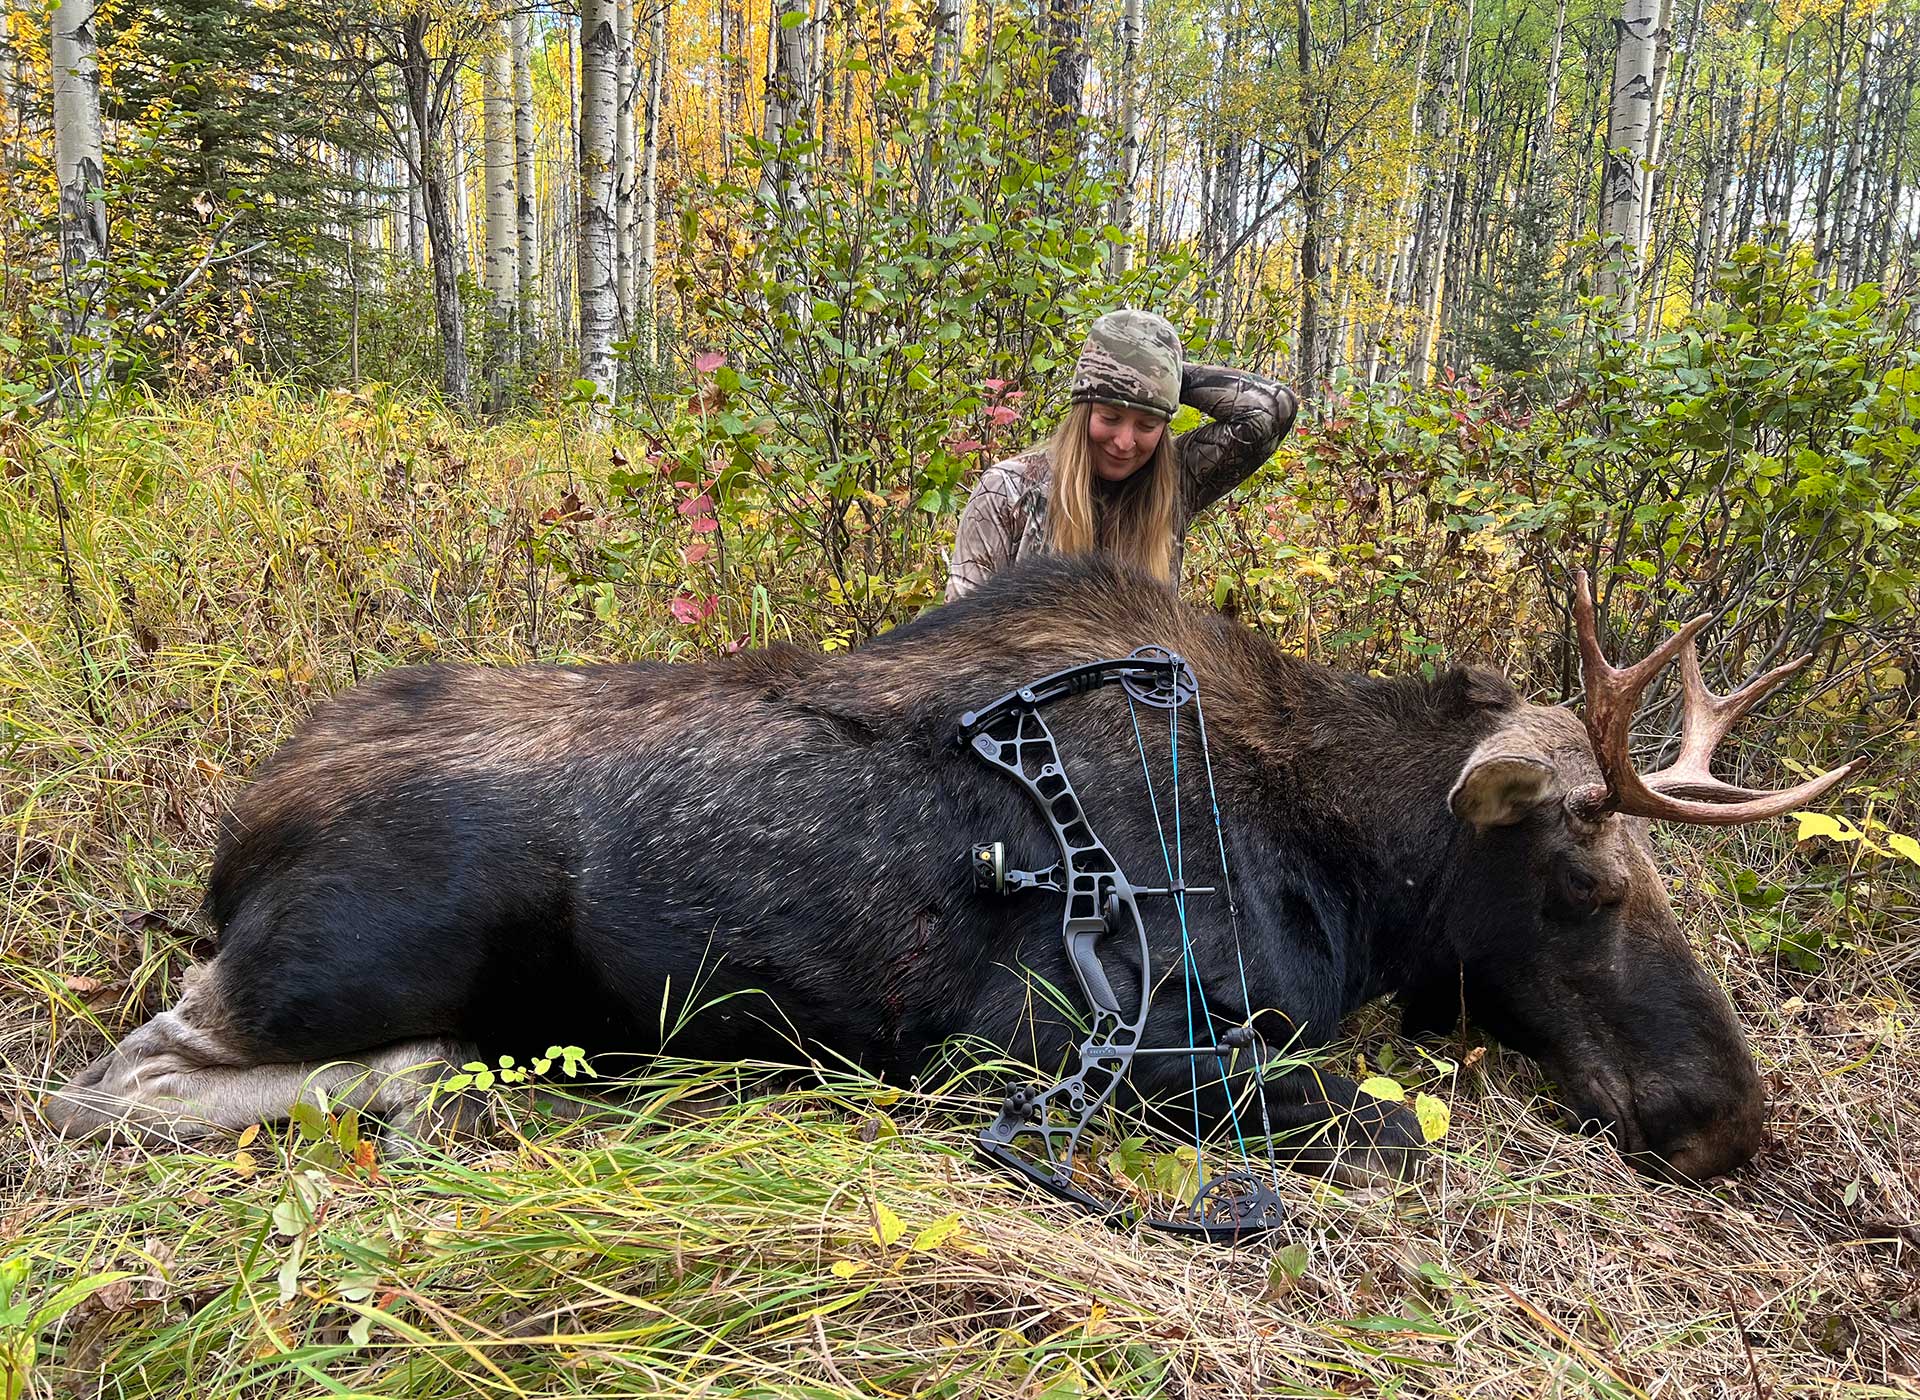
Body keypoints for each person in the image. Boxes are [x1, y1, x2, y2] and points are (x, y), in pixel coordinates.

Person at [945, 308, 1299, 602]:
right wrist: (1117, 368)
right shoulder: (1006, 490)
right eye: (1110, 418)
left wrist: (1161, 371)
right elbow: (956, 637)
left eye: (1147, 425)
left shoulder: (1177, 481)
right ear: (1082, 412)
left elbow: (1271, 409)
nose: (1124, 442)